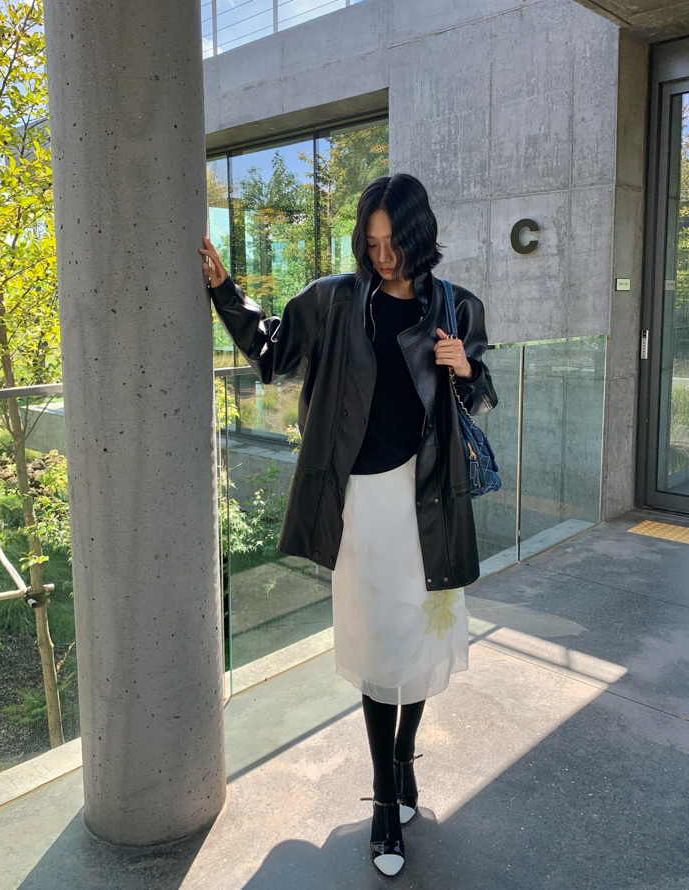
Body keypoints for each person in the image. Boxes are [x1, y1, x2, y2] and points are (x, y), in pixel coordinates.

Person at [200, 173, 497, 877]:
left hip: (430, 499)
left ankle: (403, 757)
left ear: (420, 237)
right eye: (372, 242)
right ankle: (385, 800)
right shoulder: (334, 300)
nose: (383, 256)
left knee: (420, 639)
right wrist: (225, 291)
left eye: (395, 243)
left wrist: (464, 369)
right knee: (376, 643)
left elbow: (479, 398)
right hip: (362, 503)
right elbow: (272, 353)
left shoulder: (457, 306)